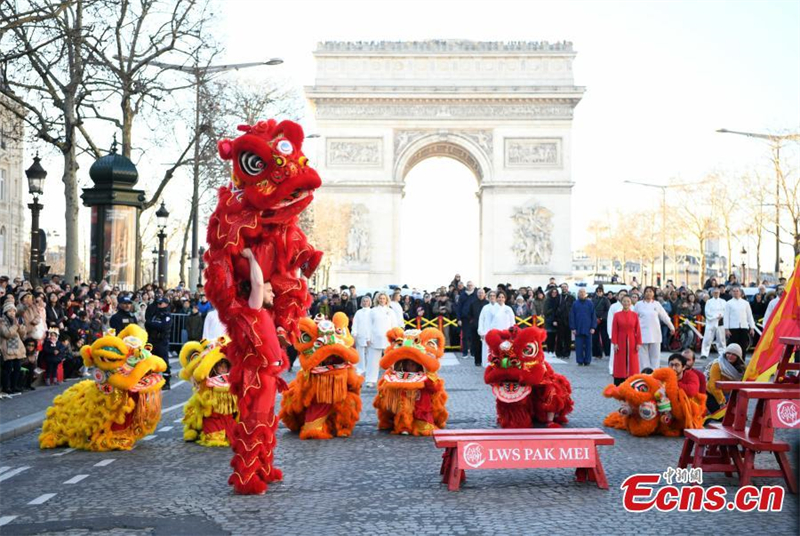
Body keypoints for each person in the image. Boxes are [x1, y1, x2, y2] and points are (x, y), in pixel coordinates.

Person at [634, 286, 675, 371]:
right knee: (643, 357)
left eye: (650, 291)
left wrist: (671, 327)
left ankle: (655, 374)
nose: (648, 293)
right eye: (647, 291)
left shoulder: (657, 304)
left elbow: (664, 316)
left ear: (653, 293)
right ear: (644, 293)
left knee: (655, 357)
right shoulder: (638, 304)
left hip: (655, 334)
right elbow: (633, 319)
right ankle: (644, 373)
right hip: (642, 333)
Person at [706, 343, 747, 415]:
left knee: (735, 416)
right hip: (713, 395)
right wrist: (722, 402)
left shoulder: (742, 368)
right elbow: (713, 386)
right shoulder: (717, 364)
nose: (730, 356)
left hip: (730, 395)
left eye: (734, 354)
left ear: (738, 357)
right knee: (721, 417)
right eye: (728, 353)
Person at [611, 295, 641, 385]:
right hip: (620, 338)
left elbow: (638, 329)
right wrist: (615, 343)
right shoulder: (617, 315)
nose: (626, 303)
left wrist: (638, 343)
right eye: (624, 301)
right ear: (621, 302)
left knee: (632, 360)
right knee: (620, 360)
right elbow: (614, 330)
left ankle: (632, 379)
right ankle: (620, 379)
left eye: (628, 301)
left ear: (630, 303)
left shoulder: (634, 315)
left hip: (632, 339)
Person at [366, 293, 395, 388]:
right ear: (378, 300)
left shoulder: (390, 311)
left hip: (388, 340)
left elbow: (394, 325)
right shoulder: (373, 311)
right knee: (373, 361)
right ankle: (370, 380)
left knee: (390, 360)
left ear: (387, 300)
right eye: (380, 298)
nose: (382, 300)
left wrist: (395, 338)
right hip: (375, 339)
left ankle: (392, 378)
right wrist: (368, 338)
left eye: (384, 298)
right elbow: (368, 326)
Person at [145, 297, 173, 389]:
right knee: (150, 360)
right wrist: (153, 325)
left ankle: (166, 382)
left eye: (161, 303)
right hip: (152, 341)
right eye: (158, 303)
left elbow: (163, 327)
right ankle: (151, 380)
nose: (159, 305)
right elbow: (147, 324)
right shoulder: (155, 315)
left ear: (166, 304)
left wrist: (153, 325)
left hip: (162, 342)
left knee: (164, 362)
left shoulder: (167, 316)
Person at [0, 302, 27, 395]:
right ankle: (6, 387)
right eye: (10, 311)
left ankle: (14, 386)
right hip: (7, 348)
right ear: (5, 312)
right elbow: (6, 334)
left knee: (17, 368)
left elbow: (23, 336)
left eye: (14, 311)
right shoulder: (1, 322)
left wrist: (21, 328)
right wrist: (15, 326)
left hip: (17, 348)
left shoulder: (16, 320)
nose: (12, 313)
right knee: (8, 369)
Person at [723, 286, 755, 354]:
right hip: (733, 327)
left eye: (737, 291)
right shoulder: (728, 303)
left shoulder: (745, 303)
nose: (736, 293)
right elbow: (726, 316)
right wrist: (726, 329)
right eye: (734, 291)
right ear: (731, 293)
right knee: (733, 346)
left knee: (743, 345)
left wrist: (752, 327)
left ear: (740, 293)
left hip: (744, 327)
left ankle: (742, 361)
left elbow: (749, 315)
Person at [570, 288, 597, 366]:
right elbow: (572, 316)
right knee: (579, 346)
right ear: (578, 294)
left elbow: (593, 316)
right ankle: (580, 360)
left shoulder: (590, 303)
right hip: (578, 328)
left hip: (588, 328)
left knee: (588, 346)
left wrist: (593, 327)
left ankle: (587, 360)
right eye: (580, 292)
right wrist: (573, 328)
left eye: (583, 292)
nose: (582, 293)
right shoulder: (575, 304)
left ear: (586, 294)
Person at [700, 287, 726, 360]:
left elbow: (725, 311)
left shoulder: (723, 301)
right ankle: (704, 353)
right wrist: (715, 316)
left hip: (720, 322)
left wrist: (721, 316)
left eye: (717, 293)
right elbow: (707, 312)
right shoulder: (709, 302)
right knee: (707, 339)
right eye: (714, 293)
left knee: (721, 339)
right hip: (711, 322)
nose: (716, 294)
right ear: (712, 293)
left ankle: (722, 353)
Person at [606, 289, 628, 376]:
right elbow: (610, 321)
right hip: (616, 333)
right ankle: (612, 369)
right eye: (621, 294)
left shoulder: (631, 307)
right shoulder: (613, 307)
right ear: (618, 296)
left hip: (626, 334)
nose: (623, 296)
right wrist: (611, 334)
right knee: (614, 352)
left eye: (624, 295)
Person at [465, 288, 488, 367]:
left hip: (486, 327)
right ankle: (477, 361)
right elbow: (468, 314)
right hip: (475, 326)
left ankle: (485, 360)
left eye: (482, 293)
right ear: (477, 294)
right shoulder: (473, 303)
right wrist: (472, 321)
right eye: (479, 293)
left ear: (485, 294)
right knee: (476, 344)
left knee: (485, 344)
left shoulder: (487, 304)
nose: (481, 294)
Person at [351, 295, 372, 376]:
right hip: (360, 334)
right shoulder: (358, 312)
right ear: (361, 302)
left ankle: (368, 368)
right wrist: (354, 333)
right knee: (360, 352)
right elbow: (355, 323)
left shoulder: (372, 312)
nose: (365, 302)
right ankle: (361, 368)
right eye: (364, 301)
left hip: (370, 335)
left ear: (369, 302)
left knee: (369, 353)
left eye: (367, 301)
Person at [457, 281, 477, 359]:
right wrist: (458, 319)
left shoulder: (476, 295)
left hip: (473, 319)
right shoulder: (462, 295)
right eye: (468, 285)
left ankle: (472, 353)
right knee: (465, 336)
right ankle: (465, 353)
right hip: (464, 319)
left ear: (473, 286)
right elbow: (458, 308)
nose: (469, 286)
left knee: (473, 336)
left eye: (471, 285)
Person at [554, 283, 574, 359]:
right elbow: (554, 309)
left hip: (568, 320)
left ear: (567, 288)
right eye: (562, 287)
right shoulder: (558, 297)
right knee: (559, 337)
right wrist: (555, 319)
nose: (564, 288)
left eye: (565, 287)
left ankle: (566, 353)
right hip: (559, 320)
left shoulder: (571, 298)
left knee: (567, 338)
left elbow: (573, 309)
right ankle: (559, 353)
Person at [591, 286, 611, 360]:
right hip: (595, 320)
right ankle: (597, 354)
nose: (599, 293)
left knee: (605, 337)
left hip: (603, 321)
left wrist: (602, 318)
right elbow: (592, 310)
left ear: (602, 292)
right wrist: (594, 318)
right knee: (595, 338)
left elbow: (608, 310)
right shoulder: (593, 299)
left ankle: (607, 353)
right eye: (598, 291)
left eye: (600, 291)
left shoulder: (606, 300)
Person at [544, 287, 560, 356]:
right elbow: (545, 312)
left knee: (554, 337)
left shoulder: (558, 300)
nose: (554, 294)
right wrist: (552, 310)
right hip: (549, 321)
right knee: (549, 337)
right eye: (553, 292)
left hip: (557, 320)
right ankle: (549, 350)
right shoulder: (547, 300)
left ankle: (553, 350)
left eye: (555, 292)